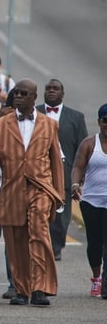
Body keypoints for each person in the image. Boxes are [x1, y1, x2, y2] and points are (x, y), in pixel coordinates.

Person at [0, 78, 64, 307]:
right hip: (12, 188)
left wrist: (59, 194)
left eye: (24, 93)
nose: (18, 96)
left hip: (41, 187)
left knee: (38, 233)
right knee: (16, 241)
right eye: (16, 93)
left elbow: (56, 160)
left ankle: (40, 288)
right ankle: (21, 289)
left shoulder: (49, 125)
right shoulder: (1, 124)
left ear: (34, 98)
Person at [36, 79, 88, 260]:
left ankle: (55, 247)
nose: (51, 91)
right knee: (38, 211)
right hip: (39, 172)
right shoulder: (35, 112)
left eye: (55, 89)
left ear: (62, 94)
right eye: (48, 88)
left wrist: (79, 178)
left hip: (64, 173)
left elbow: (82, 149)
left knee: (60, 214)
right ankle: (40, 244)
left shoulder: (76, 117)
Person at [71, 103, 107, 298]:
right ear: (99, 122)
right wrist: (75, 185)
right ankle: (96, 278)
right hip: (91, 200)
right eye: (105, 121)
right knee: (95, 242)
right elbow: (78, 166)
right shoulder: (89, 143)